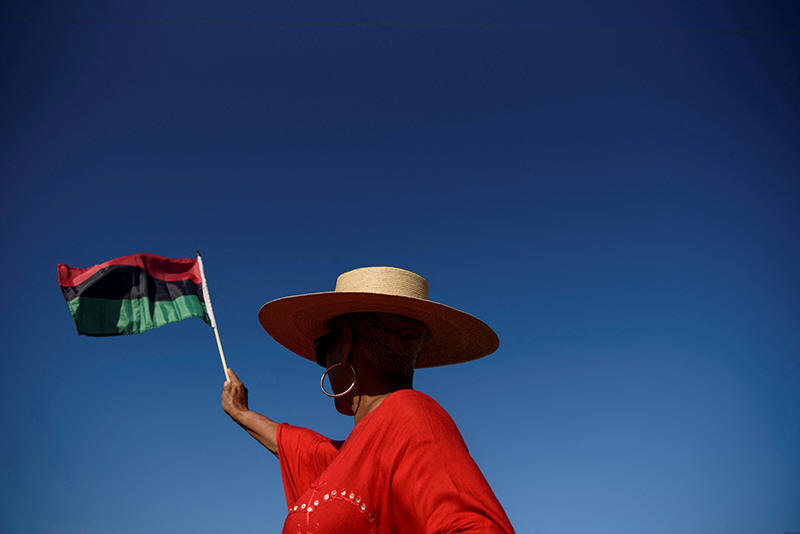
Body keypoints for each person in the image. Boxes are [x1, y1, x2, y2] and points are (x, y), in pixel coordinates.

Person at [222, 266, 515, 533]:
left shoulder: (411, 416)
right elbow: (295, 445)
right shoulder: (357, 452)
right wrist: (241, 412)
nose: (323, 363)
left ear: (345, 343)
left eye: (322, 349)